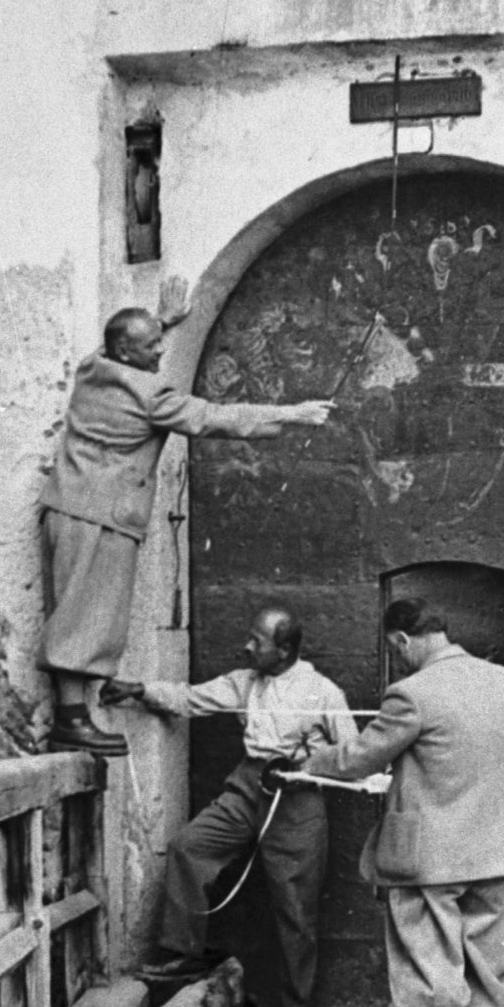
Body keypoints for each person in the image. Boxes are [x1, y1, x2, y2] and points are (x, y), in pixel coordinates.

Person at [38, 296, 331, 754]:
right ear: (125, 351)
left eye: (160, 342)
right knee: (86, 618)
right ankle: (71, 719)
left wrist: (166, 320)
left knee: (77, 610)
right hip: (101, 518)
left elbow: (124, 343)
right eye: (152, 346)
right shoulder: (149, 397)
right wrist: (291, 414)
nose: (160, 352)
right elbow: (215, 419)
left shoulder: (92, 370)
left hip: (71, 508)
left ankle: (74, 715)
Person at [303, 597, 504, 1007]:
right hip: (498, 845)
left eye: (393, 649)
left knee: (427, 963)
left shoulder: (412, 693)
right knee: (493, 964)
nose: (396, 658)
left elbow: (360, 757)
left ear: (404, 641)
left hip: (430, 855)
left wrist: (306, 762)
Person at [104, 605, 357, 1007]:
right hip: (248, 786)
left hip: (295, 798)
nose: (247, 646)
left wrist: (308, 762)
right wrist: (139, 689)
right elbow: (190, 698)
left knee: (295, 906)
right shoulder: (245, 682)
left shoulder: (323, 692)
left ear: (284, 650)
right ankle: (185, 951)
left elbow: (353, 754)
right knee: (189, 846)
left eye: (258, 641)